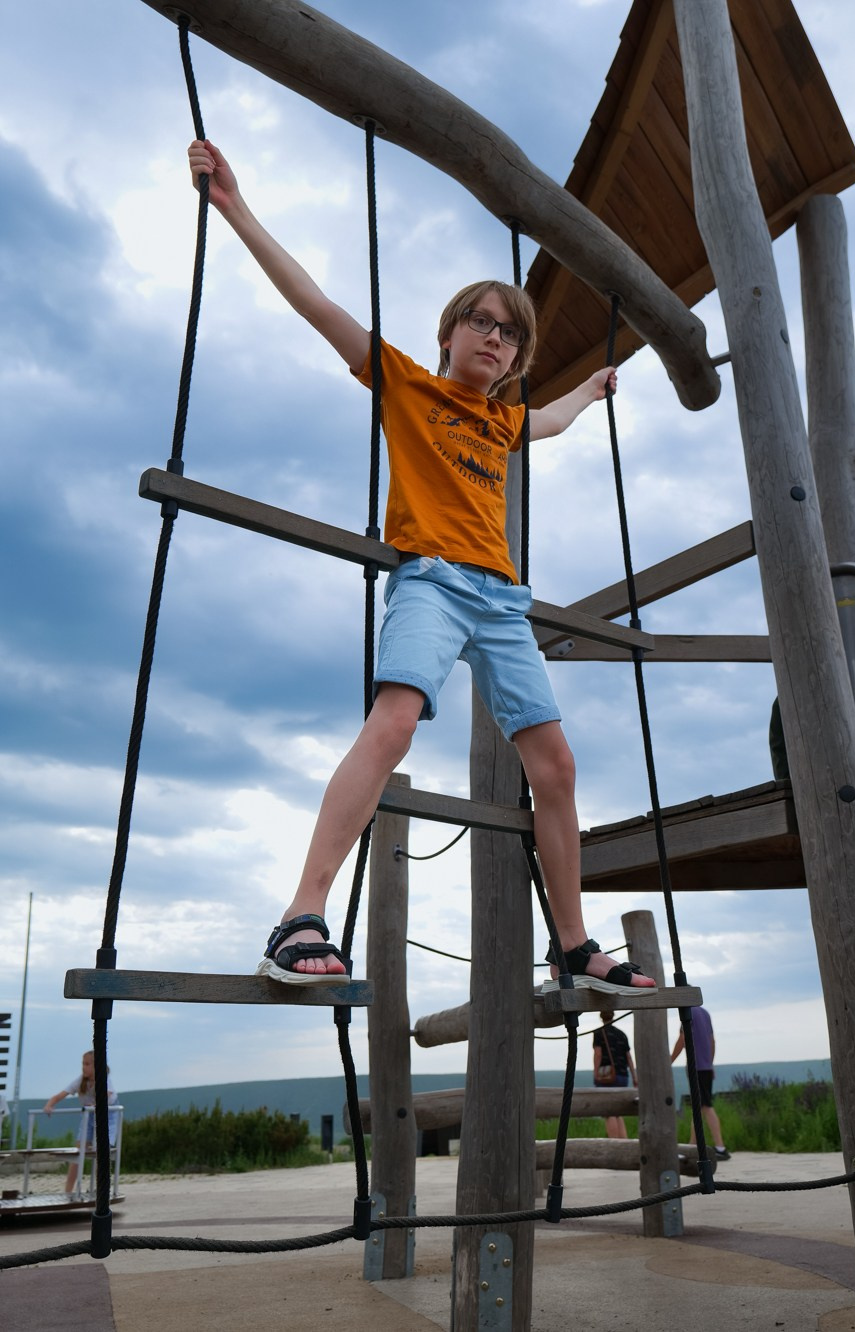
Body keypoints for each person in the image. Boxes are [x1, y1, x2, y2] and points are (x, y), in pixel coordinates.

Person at [187, 140, 657, 997]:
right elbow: (317, 305)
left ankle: (573, 944)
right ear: (449, 333)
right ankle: (301, 914)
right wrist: (235, 208)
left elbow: (551, 420)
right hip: (433, 580)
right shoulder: (408, 384)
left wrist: (593, 390)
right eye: (482, 321)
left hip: (502, 601)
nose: (496, 338)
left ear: (515, 360)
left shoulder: (504, 424)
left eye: (511, 334)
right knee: (395, 723)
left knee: (555, 765)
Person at [42, 1051, 118, 1194]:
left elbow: (107, 1094)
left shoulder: (104, 1078)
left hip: (107, 1116)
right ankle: (68, 1191)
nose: (84, 1067)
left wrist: (96, 1104)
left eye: (87, 1064)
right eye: (83, 1064)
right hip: (89, 1116)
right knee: (78, 1153)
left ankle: (101, 1190)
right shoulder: (80, 1081)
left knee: (101, 1153)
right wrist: (49, 1105)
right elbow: (60, 1095)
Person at [670, 1005, 730, 1159]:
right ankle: (692, 1147)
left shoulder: (687, 1012)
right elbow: (712, 1041)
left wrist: (669, 1061)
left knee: (706, 1106)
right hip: (706, 1067)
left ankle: (720, 1147)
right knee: (699, 1107)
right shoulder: (705, 1013)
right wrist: (710, 1063)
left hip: (696, 1067)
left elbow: (682, 1038)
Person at [593, 1011, 637, 1139]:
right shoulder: (622, 1034)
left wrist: (596, 1073)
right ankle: (624, 1142)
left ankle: (614, 1142)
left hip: (607, 1077)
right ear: (613, 1016)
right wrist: (634, 1077)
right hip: (623, 1076)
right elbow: (629, 1058)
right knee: (618, 1112)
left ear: (601, 1016)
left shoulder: (599, 1033)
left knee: (609, 1111)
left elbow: (598, 1054)